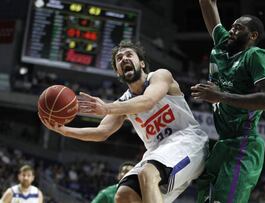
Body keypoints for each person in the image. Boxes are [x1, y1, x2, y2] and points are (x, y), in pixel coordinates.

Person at [39, 40, 209, 203]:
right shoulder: (122, 103)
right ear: (118, 73)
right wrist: (64, 130)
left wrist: (106, 108)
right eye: (119, 59)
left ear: (141, 63)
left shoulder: (160, 76)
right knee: (124, 194)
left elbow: (147, 101)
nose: (124, 59)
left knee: (147, 174)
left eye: (129, 55)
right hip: (158, 151)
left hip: (188, 141)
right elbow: (101, 132)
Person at [191, 0, 265, 202]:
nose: (231, 30)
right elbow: (207, 5)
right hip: (223, 143)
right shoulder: (223, 45)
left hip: (244, 146)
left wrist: (221, 96)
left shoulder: (255, 55)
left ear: (253, 36)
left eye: (238, 28)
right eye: (232, 26)